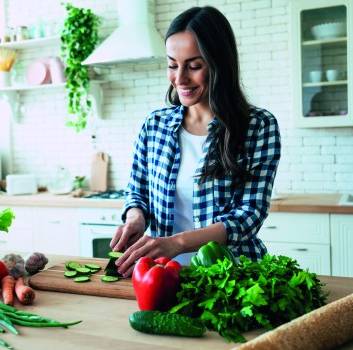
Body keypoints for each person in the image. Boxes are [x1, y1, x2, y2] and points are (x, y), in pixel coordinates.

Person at [110, 5, 281, 277]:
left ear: (219, 64)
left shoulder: (257, 126)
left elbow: (249, 215)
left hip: (234, 277)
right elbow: (137, 191)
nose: (180, 79)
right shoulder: (155, 125)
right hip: (163, 276)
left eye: (194, 66)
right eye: (172, 65)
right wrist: (135, 218)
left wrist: (176, 244)